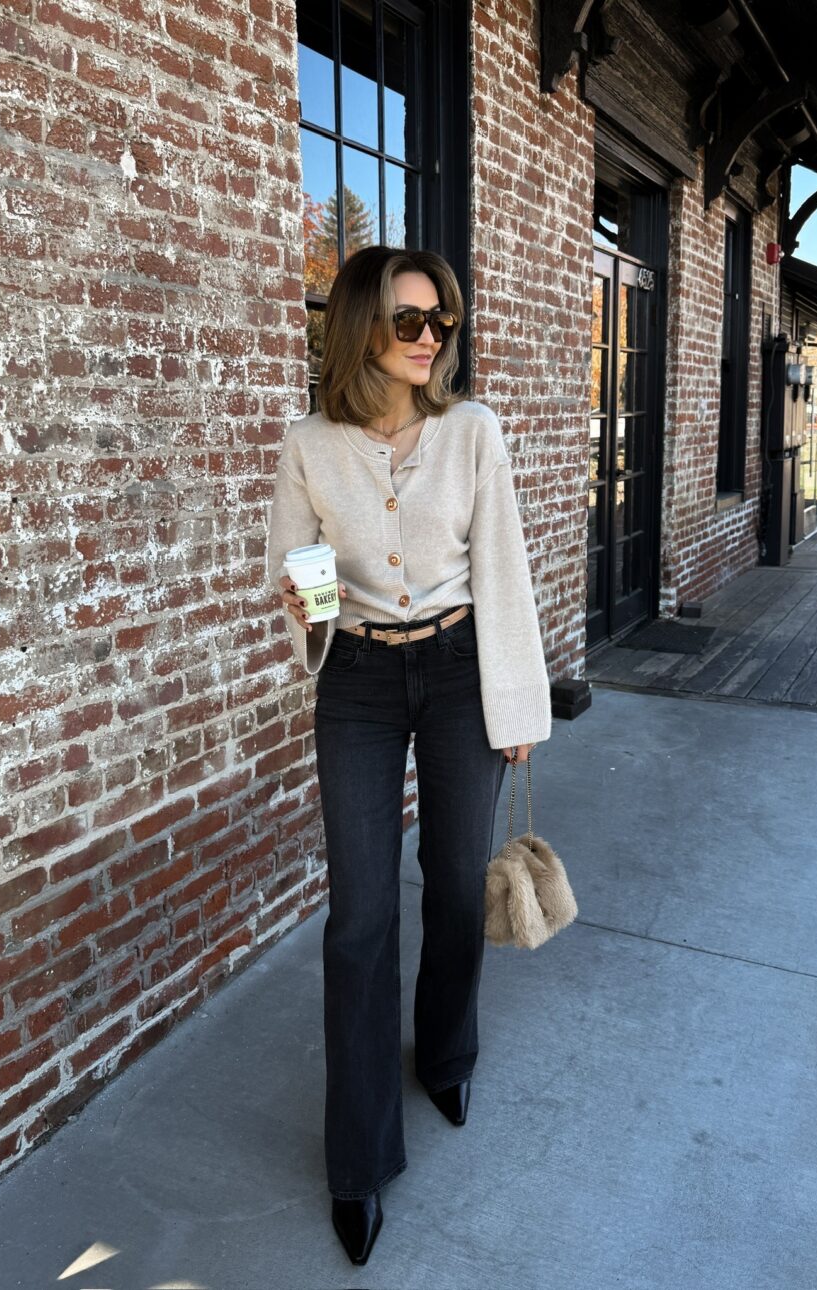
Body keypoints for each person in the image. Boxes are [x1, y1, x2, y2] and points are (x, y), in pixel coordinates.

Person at [265, 246, 552, 1266]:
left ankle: (447, 1053)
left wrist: (515, 700)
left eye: (441, 321)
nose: (431, 337)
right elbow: (296, 559)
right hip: (358, 683)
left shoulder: (471, 431)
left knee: (451, 883)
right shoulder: (311, 441)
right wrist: (311, 599)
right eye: (410, 320)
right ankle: (359, 1159)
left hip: (463, 667)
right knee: (360, 918)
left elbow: (503, 568)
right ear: (362, 329)